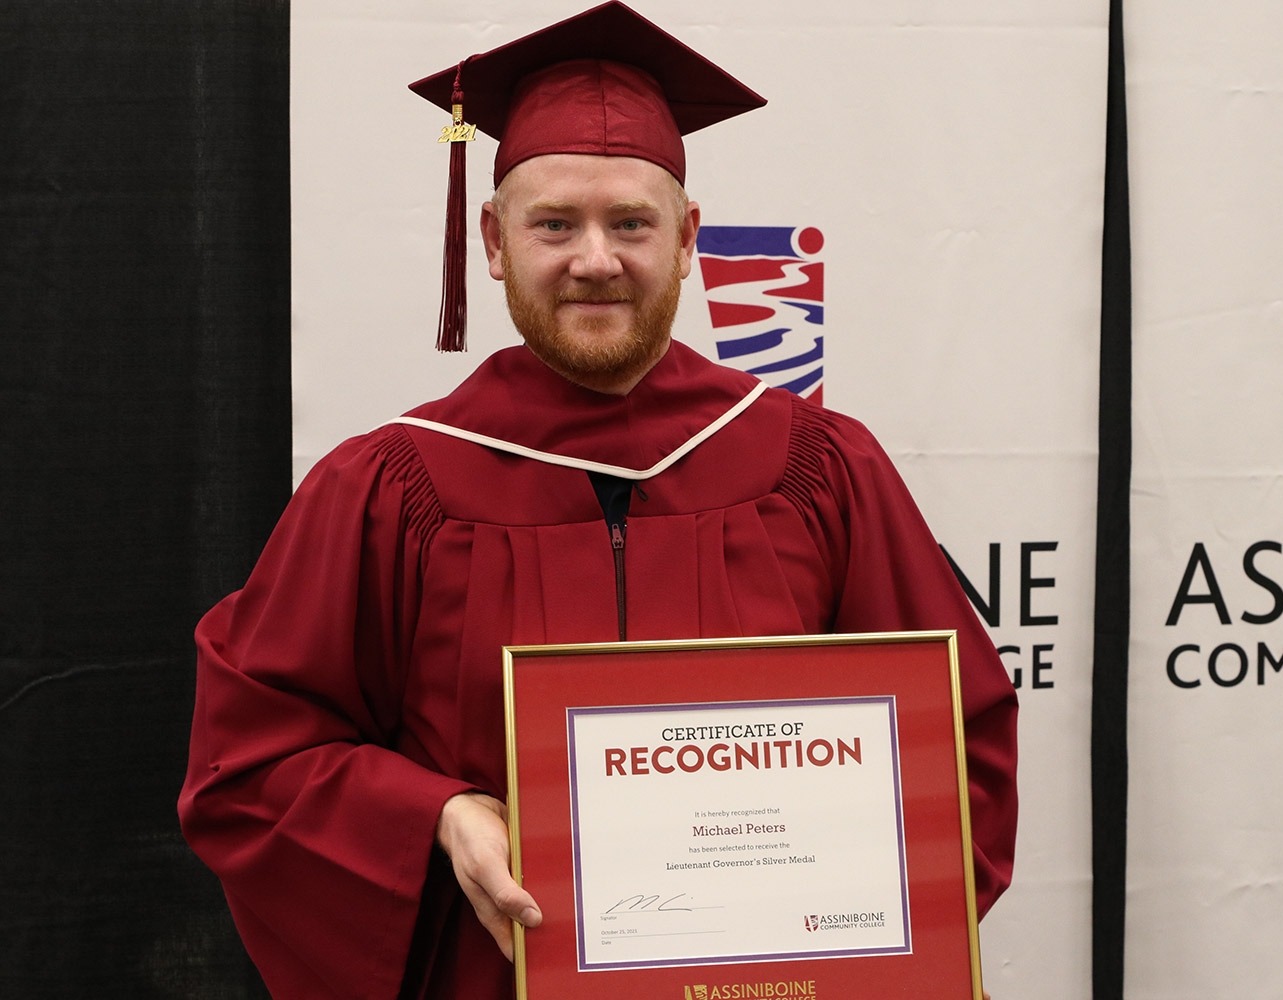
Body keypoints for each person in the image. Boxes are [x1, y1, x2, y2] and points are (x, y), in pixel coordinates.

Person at [179, 4, 1017, 998]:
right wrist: (440, 816)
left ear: (689, 237)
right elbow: (252, 769)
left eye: (631, 222)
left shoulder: (815, 467)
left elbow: (958, 749)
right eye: (554, 224)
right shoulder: (390, 489)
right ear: (491, 241)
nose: (595, 259)